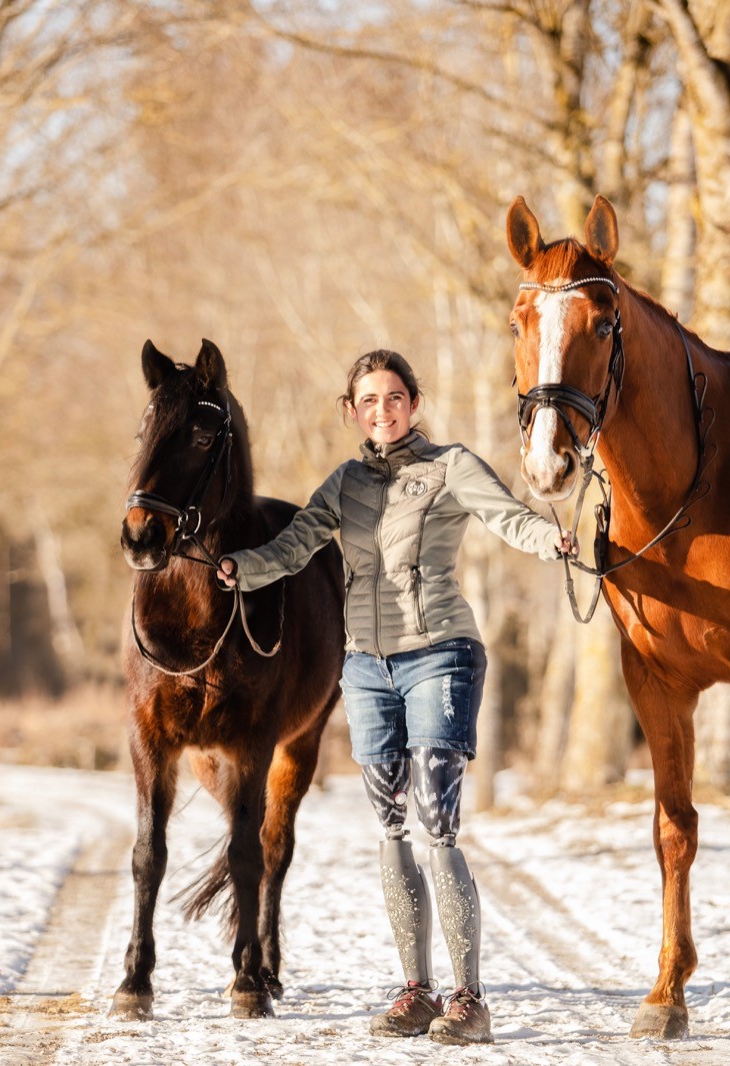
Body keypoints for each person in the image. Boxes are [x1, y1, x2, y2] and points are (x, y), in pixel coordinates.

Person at [217, 350, 574, 1045]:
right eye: (368, 401)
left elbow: (508, 518)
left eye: (393, 398)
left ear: (414, 403)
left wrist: (551, 539)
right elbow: (294, 547)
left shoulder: (451, 467)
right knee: (390, 828)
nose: (382, 411)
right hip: (364, 669)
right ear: (352, 411)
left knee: (437, 824)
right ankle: (417, 991)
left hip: (440, 655)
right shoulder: (343, 484)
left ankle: (469, 1000)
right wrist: (242, 568)